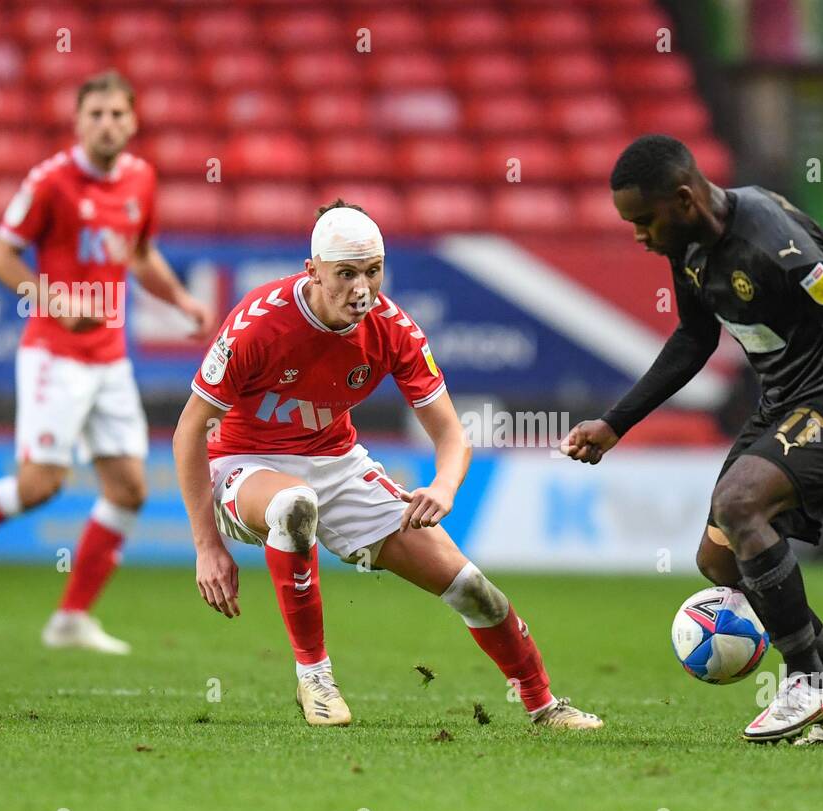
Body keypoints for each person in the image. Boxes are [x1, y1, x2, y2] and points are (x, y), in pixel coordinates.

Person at [561, 134, 823, 744]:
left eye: (644, 221)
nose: (639, 236)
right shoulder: (689, 243)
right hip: (785, 402)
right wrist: (616, 422)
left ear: (684, 198)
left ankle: (807, 682)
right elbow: (695, 339)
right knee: (718, 560)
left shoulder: (778, 248)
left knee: (740, 504)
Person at [172, 200, 602, 730]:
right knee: (292, 504)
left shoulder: (393, 329)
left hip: (337, 462)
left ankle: (544, 706)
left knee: (472, 588)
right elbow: (189, 430)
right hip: (245, 463)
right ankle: (315, 678)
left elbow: (451, 434)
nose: (362, 288)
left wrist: (444, 487)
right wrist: (206, 546)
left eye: (373, 271)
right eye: (345, 274)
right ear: (313, 272)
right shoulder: (258, 325)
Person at [0, 70, 213, 653]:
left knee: (128, 489)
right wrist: (55, 300)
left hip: (111, 358)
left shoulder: (142, 179)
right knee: (41, 485)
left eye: (118, 114)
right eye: (96, 114)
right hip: (55, 356)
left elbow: (140, 255)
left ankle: (70, 618)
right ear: (78, 122)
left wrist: (183, 300)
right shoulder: (50, 182)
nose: (108, 124)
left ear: (134, 120)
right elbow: (0, 255)